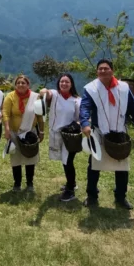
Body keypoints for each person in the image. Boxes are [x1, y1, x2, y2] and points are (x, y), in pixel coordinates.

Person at [80, 59, 134, 209]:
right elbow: (84, 107)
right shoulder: (91, 88)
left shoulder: (123, 88)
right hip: (99, 132)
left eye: (106, 68)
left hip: (120, 131)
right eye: (100, 69)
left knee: (122, 166)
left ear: (112, 71)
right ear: (97, 72)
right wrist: (84, 123)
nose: (103, 71)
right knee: (94, 165)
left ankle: (121, 197)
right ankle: (91, 195)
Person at [40, 73, 82, 202]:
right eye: (62, 81)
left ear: (71, 84)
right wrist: (43, 91)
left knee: (68, 161)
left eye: (67, 82)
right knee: (64, 161)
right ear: (58, 83)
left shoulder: (76, 100)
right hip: (56, 134)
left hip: (70, 136)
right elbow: (45, 93)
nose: (64, 84)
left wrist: (75, 126)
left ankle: (70, 190)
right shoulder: (55, 95)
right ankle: (72, 183)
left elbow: (81, 119)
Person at [1, 74, 44, 192]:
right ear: (15, 85)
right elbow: (5, 113)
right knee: (16, 159)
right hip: (15, 132)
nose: (20, 85)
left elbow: (40, 116)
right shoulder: (10, 97)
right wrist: (7, 129)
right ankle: (17, 183)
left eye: (23, 83)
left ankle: (30, 183)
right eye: (18, 83)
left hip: (30, 132)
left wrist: (41, 131)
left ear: (28, 85)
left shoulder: (35, 98)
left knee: (30, 157)